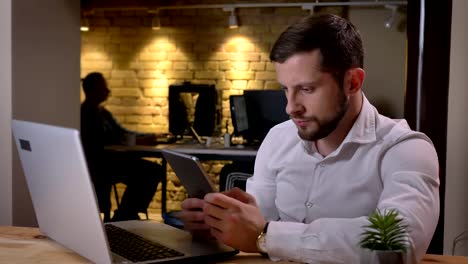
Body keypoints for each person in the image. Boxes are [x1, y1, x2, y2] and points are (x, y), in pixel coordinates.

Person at [178, 14, 439, 263]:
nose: (291, 108)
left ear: (353, 82)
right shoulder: (278, 138)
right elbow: (256, 234)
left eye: (306, 89)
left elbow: (395, 244)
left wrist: (268, 235)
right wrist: (221, 227)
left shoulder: (406, 148)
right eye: (285, 89)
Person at [81, 72, 163, 222]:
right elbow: (113, 138)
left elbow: (123, 132)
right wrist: (142, 140)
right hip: (101, 165)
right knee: (151, 171)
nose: (108, 91)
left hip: (111, 161)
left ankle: (126, 213)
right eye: (104, 87)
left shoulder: (102, 112)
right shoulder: (87, 114)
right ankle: (126, 215)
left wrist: (148, 136)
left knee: (152, 170)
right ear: (92, 90)